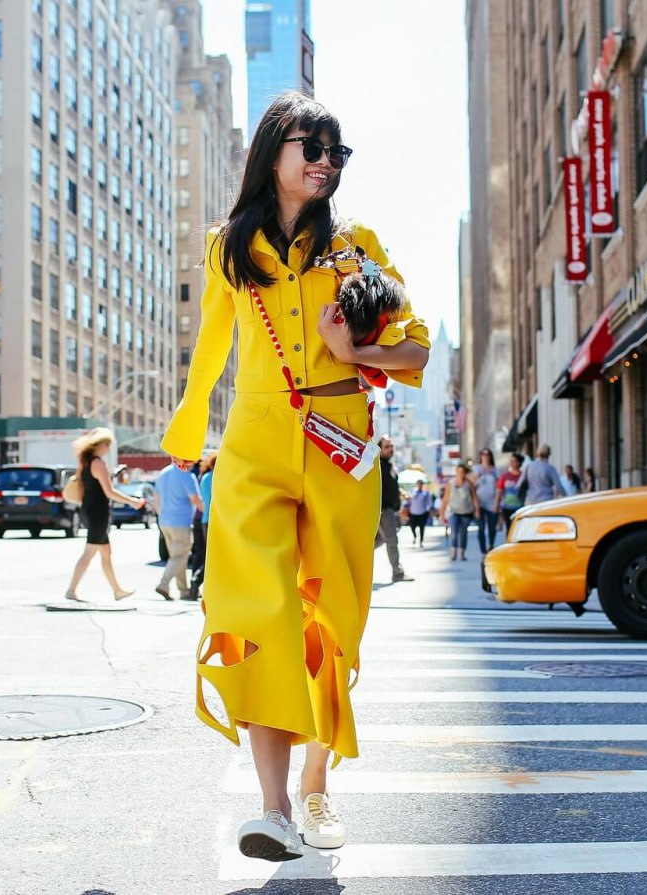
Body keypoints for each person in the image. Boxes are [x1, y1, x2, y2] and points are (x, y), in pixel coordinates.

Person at [161, 92, 429, 862]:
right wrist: (186, 430)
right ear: (272, 151)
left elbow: (414, 348)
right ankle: (274, 808)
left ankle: (317, 782)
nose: (324, 162)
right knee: (260, 614)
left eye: (335, 152)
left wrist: (355, 353)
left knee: (331, 623)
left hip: (341, 443)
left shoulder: (355, 244)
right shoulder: (228, 248)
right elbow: (212, 345)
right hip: (253, 444)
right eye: (310, 147)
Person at [64, 428, 144, 602]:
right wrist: (132, 501)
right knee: (89, 552)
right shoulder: (98, 463)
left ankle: (117, 590)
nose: (108, 447)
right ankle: (71, 590)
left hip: (88, 509)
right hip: (98, 513)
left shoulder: (84, 463)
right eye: (107, 444)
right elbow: (109, 492)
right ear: (97, 445)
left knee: (106, 553)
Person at [153, 461, 204, 601]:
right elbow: (195, 499)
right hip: (180, 521)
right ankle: (163, 584)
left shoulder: (163, 473)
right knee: (180, 556)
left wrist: (161, 516)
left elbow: (156, 500)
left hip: (164, 521)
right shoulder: (186, 475)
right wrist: (208, 514)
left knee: (176, 557)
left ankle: (184, 590)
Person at [374, 437, 407, 583]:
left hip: (389, 509)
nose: (390, 449)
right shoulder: (378, 465)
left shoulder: (389, 465)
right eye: (387, 446)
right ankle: (397, 572)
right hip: (383, 509)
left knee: (379, 540)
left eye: (391, 446)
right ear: (380, 448)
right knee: (392, 540)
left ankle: (355, 563)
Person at [187, 454, 216, 602]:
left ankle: (196, 581)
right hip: (214, 521)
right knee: (214, 557)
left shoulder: (205, 477)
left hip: (204, 519)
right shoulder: (217, 477)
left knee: (205, 554)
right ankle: (197, 580)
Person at [440, 462, 480, 561]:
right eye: (458, 472)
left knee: (463, 533)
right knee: (454, 532)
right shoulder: (451, 483)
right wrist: (442, 513)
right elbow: (445, 499)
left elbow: (474, 498)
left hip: (466, 512)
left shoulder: (469, 484)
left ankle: (462, 553)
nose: (460, 474)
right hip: (453, 512)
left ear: (465, 473)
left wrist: (477, 510)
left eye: (462, 472)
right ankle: (454, 552)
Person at [472, 449, 500, 554]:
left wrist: (497, 502)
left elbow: (498, 487)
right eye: (483, 454)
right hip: (480, 503)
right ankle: (483, 551)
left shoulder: (495, 470)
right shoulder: (476, 468)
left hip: (492, 502)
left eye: (488, 454)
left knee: (492, 528)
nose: (485, 456)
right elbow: (472, 485)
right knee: (481, 527)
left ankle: (491, 545)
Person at [496, 452, 526, 528]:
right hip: (507, 507)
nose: (512, 463)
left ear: (519, 462)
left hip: (520, 506)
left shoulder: (524, 476)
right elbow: (499, 490)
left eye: (514, 461)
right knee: (509, 528)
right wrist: (496, 504)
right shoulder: (505, 476)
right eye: (511, 461)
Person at [406, 481, 433, 547]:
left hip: (422, 513)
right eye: (418, 484)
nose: (420, 486)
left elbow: (429, 502)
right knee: (412, 526)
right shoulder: (413, 491)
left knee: (422, 527)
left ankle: (421, 541)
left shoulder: (426, 492)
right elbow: (408, 500)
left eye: (421, 484)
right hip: (413, 513)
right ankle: (415, 536)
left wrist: (428, 508)